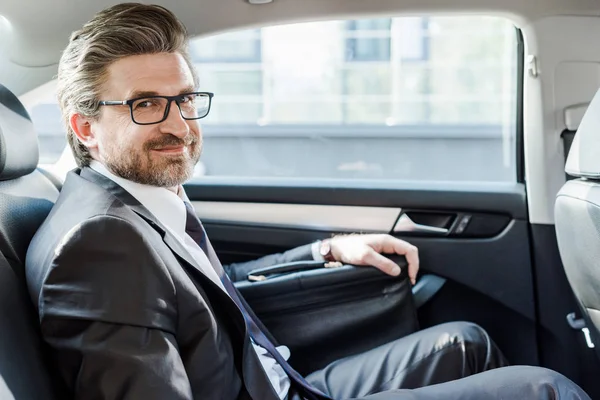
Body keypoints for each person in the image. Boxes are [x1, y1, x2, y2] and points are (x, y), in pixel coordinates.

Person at [25, 3, 590, 400]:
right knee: (546, 389)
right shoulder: (98, 241)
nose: (178, 123)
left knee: (464, 342)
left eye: (185, 99)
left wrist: (325, 249)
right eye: (146, 104)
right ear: (86, 126)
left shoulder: (139, 196)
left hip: (284, 382)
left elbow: (204, 295)